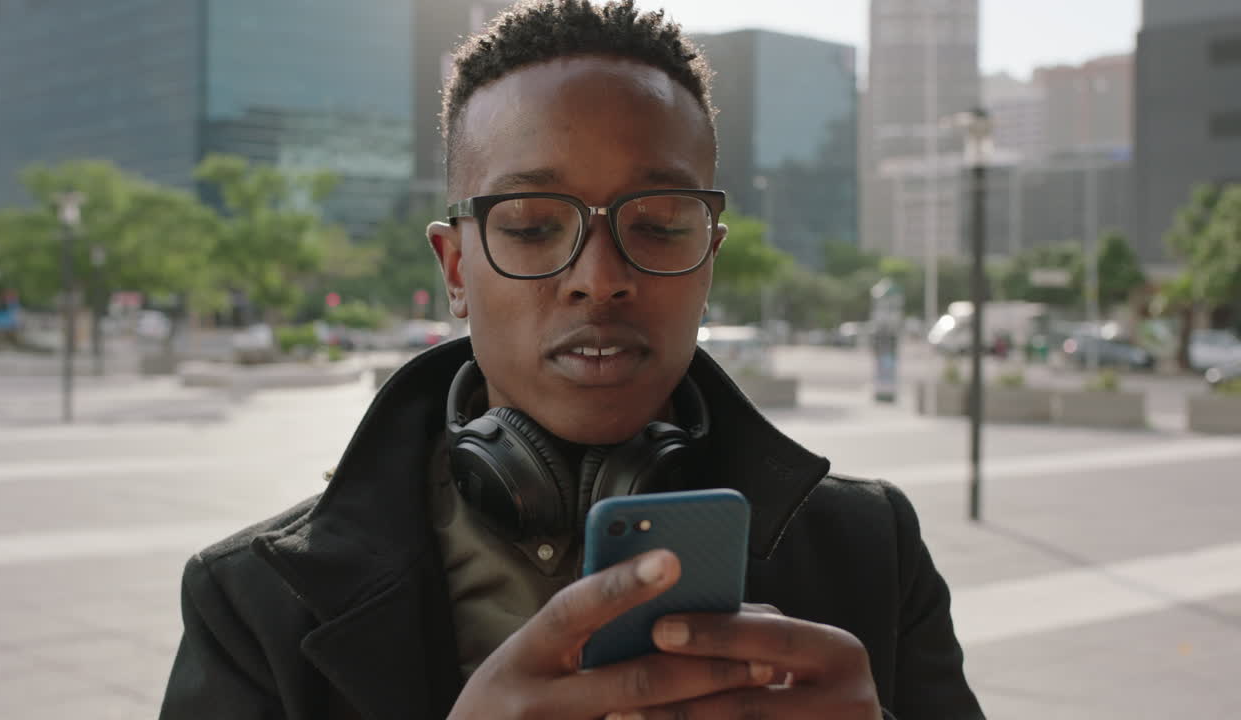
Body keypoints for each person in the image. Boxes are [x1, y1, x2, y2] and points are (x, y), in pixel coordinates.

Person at [159, 2, 984, 718]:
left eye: (659, 224)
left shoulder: (872, 550)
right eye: (529, 225)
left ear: (708, 261)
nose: (600, 279)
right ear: (455, 269)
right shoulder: (251, 603)